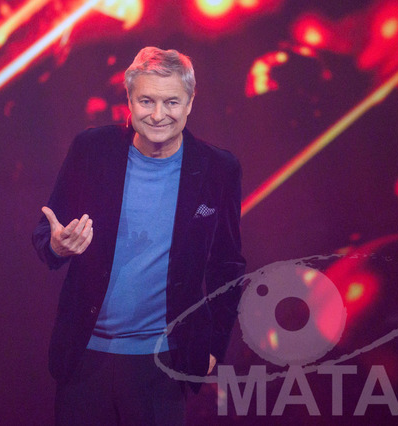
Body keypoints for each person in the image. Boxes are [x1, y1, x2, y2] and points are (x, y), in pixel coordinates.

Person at [32, 46, 246, 425]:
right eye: (147, 100)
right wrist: (57, 245)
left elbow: (228, 264)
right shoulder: (92, 150)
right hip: (84, 356)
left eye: (171, 102)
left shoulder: (218, 169)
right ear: (129, 101)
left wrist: (214, 345)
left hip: (164, 362)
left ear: (190, 102)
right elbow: (47, 234)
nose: (158, 114)